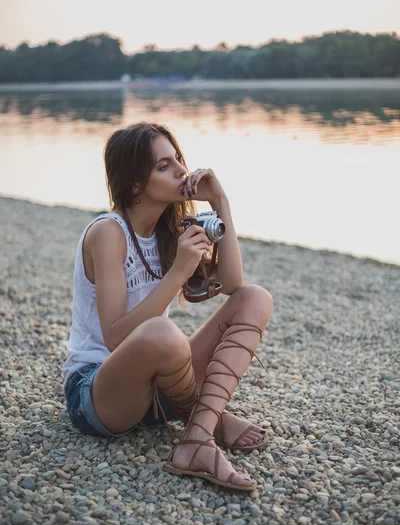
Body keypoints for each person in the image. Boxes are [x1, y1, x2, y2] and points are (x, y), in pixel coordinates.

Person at [62, 121, 273, 492]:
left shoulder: (170, 230)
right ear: (133, 184)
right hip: (98, 392)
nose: (181, 170)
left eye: (177, 159)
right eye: (163, 166)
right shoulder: (107, 234)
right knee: (163, 332)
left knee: (255, 297)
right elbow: (115, 338)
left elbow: (233, 285)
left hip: (159, 386)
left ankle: (197, 437)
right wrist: (177, 273)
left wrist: (220, 203)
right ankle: (209, 418)